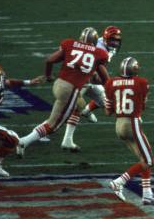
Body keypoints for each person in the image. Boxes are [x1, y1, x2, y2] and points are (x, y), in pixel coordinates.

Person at [17, 27, 109, 157]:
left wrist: (48, 76)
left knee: (80, 105)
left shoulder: (70, 44)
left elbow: (49, 60)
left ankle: (68, 140)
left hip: (58, 84)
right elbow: (105, 80)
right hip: (70, 90)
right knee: (53, 125)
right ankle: (23, 141)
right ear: (95, 41)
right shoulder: (99, 53)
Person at [106, 57, 154, 205]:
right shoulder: (141, 82)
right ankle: (119, 182)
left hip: (118, 124)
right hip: (132, 124)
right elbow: (143, 105)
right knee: (149, 160)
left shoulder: (111, 82)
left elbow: (108, 111)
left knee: (143, 159)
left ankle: (147, 194)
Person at [60, 25, 122, 151]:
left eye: (117, 40)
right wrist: (103, 80)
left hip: (87, 77)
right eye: (112, 40)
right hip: (78, 79)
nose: (115, 43)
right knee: (63, 113)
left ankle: (86, 111)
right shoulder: (99, 49)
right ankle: (32, 137)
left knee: (103, 99)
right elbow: (92, 71)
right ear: (104, 39)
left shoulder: (107, 47)